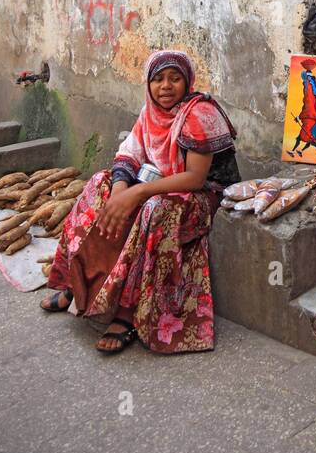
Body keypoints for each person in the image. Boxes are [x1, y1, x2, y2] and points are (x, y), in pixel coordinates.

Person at [40, 50, 240, 355]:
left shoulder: (199, 114)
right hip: (158, 183)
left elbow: (194, 179)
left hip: (201, 196)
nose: (166, 86)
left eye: (175, 78)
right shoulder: (150, 112)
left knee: (154, 209)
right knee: (98, 185)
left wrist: (135, 194)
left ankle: (127, 313)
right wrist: (120, 191)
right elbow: (129, 155)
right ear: (148, 84)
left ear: (188, 82)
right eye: (158, 79)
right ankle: (77, 284)